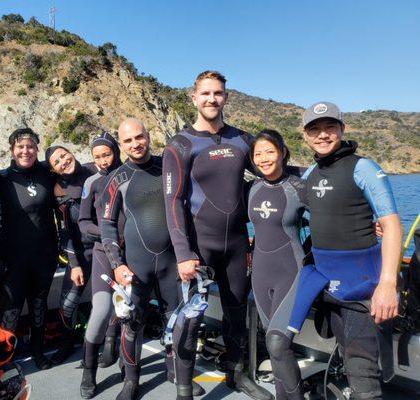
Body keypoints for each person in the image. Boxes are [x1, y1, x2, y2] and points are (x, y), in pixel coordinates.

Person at [162, 71, 273, 400]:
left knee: (236, 312)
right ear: (194, 97)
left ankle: (237, 375)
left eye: (218, 93)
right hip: (199, 248)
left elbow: (273, 168)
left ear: (226, 97)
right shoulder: (180, 144)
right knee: (191, 317)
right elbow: (173, 202)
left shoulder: (242, 140)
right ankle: (183, 387)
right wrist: (183, 252)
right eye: (206, 93)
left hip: (237, 244)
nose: (212, 99)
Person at [292, 102, 402, 399]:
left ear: (342, 129)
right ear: (305, 135)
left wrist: (388, 284)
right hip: (329, 284)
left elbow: (391, 225)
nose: (323, 135)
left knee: (362, 369)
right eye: (315, 129)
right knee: (347, 355)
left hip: (362, 286)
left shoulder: (363, 167)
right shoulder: (311, 172)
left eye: (330, 127)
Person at [101, 118, 192, 400]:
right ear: (121, 144)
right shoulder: (117, 179)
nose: (135, 144)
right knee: (132, 325)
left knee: (174, 320)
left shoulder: (167, 168)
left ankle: (174, 369)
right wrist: (117, 264)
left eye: (139, 137)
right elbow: (107, 225)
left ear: (148, 136)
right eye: (128, 140)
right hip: (136, 265)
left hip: (170, 262)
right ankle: (131, 381)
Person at [247, 130, 307, 399]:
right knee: (275, 348)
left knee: (277, 342)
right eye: (257, 153)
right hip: (260, 274)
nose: (263, 158)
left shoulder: (298, 187)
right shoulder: (253, 188)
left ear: (282, 152)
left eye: (269, 151)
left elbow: (331, 218)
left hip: (290, 273)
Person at [0, 128, 58, 370]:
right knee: (10, 311)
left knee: (39, 307)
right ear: (12, 150)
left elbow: (74, 177)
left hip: (44, 255)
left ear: (37, 149)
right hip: (13, 258)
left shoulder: (47, 172)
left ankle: (38, 352)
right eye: (20, 147)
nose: (26, 151)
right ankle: (1, 360)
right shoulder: (2, 178)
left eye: (30, 146)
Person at [77, 131, 123, 398]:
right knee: (102, 309)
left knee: (128, 312)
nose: (103, 160)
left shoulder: (130, 176)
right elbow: (83, 223)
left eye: (107, 154)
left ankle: (125, 362)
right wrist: (109, 235)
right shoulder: (92, 183)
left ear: (115, 152)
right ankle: (89, 370)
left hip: (131, 255)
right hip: (104, 254)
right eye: (97, 157)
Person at [45, 144, 97, 363]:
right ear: (54, 170)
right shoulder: (60, 189)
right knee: (67, 303)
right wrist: (74, 263)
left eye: (64, 155)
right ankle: (67, 344)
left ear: (72, 153)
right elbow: (64, 231)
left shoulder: (94, 171)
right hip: (81, 253)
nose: (63, 161)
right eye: (57, 162)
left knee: (109, 302)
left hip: (106, 250)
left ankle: (106, 343)